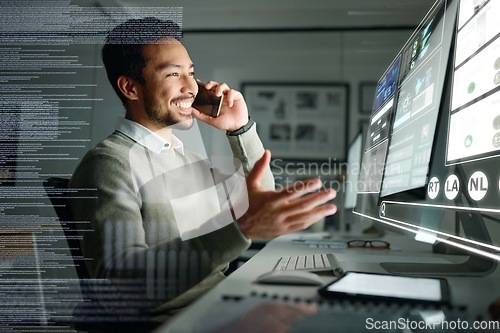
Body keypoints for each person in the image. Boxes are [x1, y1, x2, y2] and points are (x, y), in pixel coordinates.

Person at [69, 17, 336, 321]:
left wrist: (240, 129)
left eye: (191, 73)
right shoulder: (108, 163)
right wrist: (242, 228)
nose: (191, 87)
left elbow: (260, 198)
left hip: (220, 306)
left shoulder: (190, 160)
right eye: (173, 74)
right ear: (130, 87)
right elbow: (122, 289)